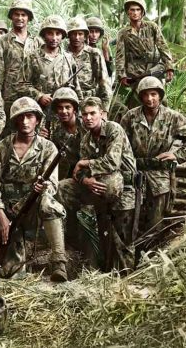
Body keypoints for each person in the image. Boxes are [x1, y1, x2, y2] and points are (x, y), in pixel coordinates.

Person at [0, 97, 68, 282]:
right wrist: (1, 216)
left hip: (33, 208)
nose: (24, 122)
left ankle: (59, 264)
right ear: (14, 120)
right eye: (20, 117)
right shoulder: (1, 149)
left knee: (49, 203)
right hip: (7, 211)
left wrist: (42, 187)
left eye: (29, 116)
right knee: (10, 271)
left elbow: (53, 184)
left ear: (37, 119)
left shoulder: (48, 148)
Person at [58, 97, 137, 272]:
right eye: (84, 114)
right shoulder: (86, 139)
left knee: (122, 241)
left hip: (124, 189)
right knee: (104, 234)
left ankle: (127, 278)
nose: (88, 118)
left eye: (93, 113)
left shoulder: (113, 129)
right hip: (100, 189)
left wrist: (85, 164)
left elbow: (111, 162)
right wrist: (85, 180)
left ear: (102, 114)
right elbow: (79, 173)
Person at [120, 77, 186, 234]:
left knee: (155, 225)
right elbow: (119, 144)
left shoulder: (173, 117)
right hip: (135, 174)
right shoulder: (130, 117)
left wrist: (177, 155)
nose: (150, 99)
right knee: (131, 222)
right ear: (140, 97)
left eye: (153, 94)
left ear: (160, 95)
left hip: (160, 177)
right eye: (146, 95)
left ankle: (152, 255)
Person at [20, 15, 82, 122]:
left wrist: (80, 112)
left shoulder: (68, 58)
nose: (54, 38)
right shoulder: (32, 57)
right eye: (50, 33)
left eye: (58, 34)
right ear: (44, 35)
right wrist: (39, 96)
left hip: (64, 114)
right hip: (40, 112)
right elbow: (21, 85)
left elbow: (76, 87)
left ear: (62, 36)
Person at [115, 0, 174, 107]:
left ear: (142, 12)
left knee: (161, 101)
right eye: (132, 10)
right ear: (128, 12)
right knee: (137, 105)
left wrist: (169, 67)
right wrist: (122, 75)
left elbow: (163, 47)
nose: (135, 13)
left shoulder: (152, 27)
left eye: (138, 10)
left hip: (153, 70)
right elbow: (119, 56)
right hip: (135, 74)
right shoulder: (123, 33)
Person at [0, 0, 43, 118]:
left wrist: (40, 95)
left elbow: (42, 73)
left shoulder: (37, 42)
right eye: (17, 14)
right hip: (10, 98)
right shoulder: (1, 42)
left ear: (28, 17)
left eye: (23, 15)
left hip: (33, 98)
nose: (20, 18)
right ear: (11, 17)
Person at [66, 16, 112, 114]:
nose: (77, 37)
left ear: (85, 35)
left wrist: (104, 110)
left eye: (80, 34)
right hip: (68, 103)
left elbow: (104, 83)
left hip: (90, 102)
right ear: (68, 35)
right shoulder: (63, 54)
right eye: (73, 34)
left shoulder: (94, 53)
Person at [48, 87, 86, 180]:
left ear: (74, 109)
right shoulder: (55, 131)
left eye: (67, 107)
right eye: (60, 108)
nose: (64, 111)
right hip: (68, 173)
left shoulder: (86, 125)